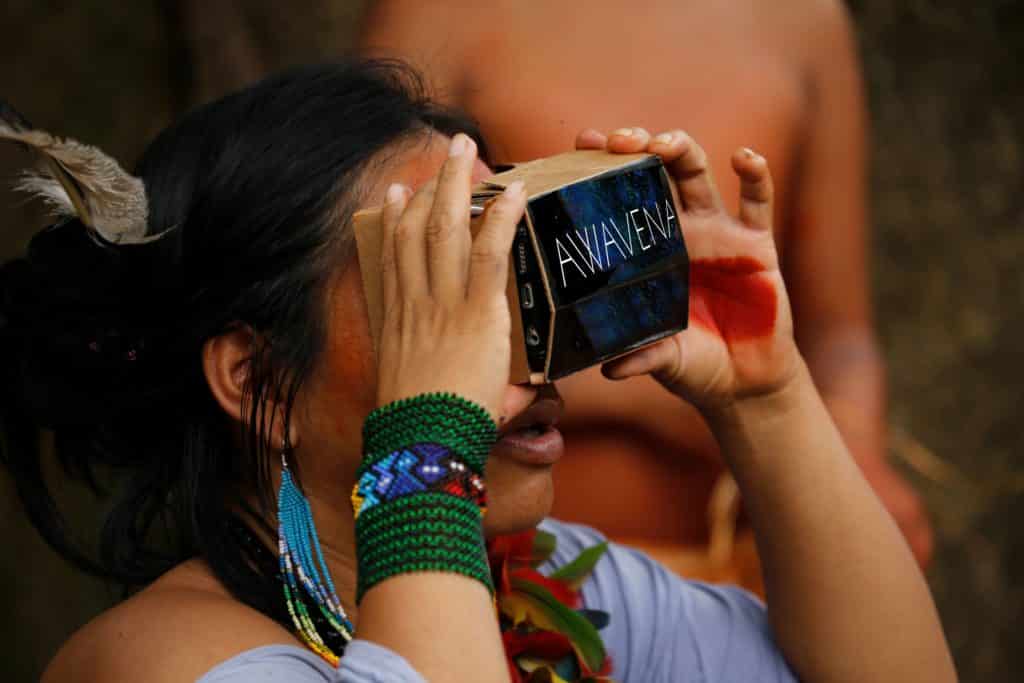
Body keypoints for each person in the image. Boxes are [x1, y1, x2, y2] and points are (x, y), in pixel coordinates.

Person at [0, 61, 954, 682]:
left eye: (512, 267)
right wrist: (427, 445)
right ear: (253, 381)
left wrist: (769, 397)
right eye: (443, 283)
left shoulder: (555, 594)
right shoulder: (163, 664)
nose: (517, 339)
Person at [357, 0, 934, 566]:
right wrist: (646, 390)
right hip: (482, 562)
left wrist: (852, 451)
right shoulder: (438, 9)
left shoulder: (805, 19)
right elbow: (372, 297)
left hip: (728, 563)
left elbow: (841, 335)